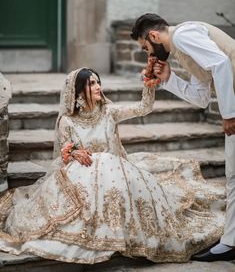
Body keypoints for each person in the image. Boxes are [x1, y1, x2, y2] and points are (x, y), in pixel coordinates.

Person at [0, 68, 225, 264]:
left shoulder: (108, 111)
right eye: (92, 83)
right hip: (84, 178)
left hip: (116, 174)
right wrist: (74, 152)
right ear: (78, 91)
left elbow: (143, 108)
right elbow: (65, 155)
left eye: (98, 81)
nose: (99, 86)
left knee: (107, 163)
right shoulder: (67, 121)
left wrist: (148, 85)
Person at [131, 13, 235, 262]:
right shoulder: (183, 52)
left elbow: (221, 63)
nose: (149, 55)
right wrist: (168, 79)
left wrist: (229, 114)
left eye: (146, 47)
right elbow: (200, 98)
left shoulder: (184, 34)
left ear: (153, 36)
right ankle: (231, 242)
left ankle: (231, 243)